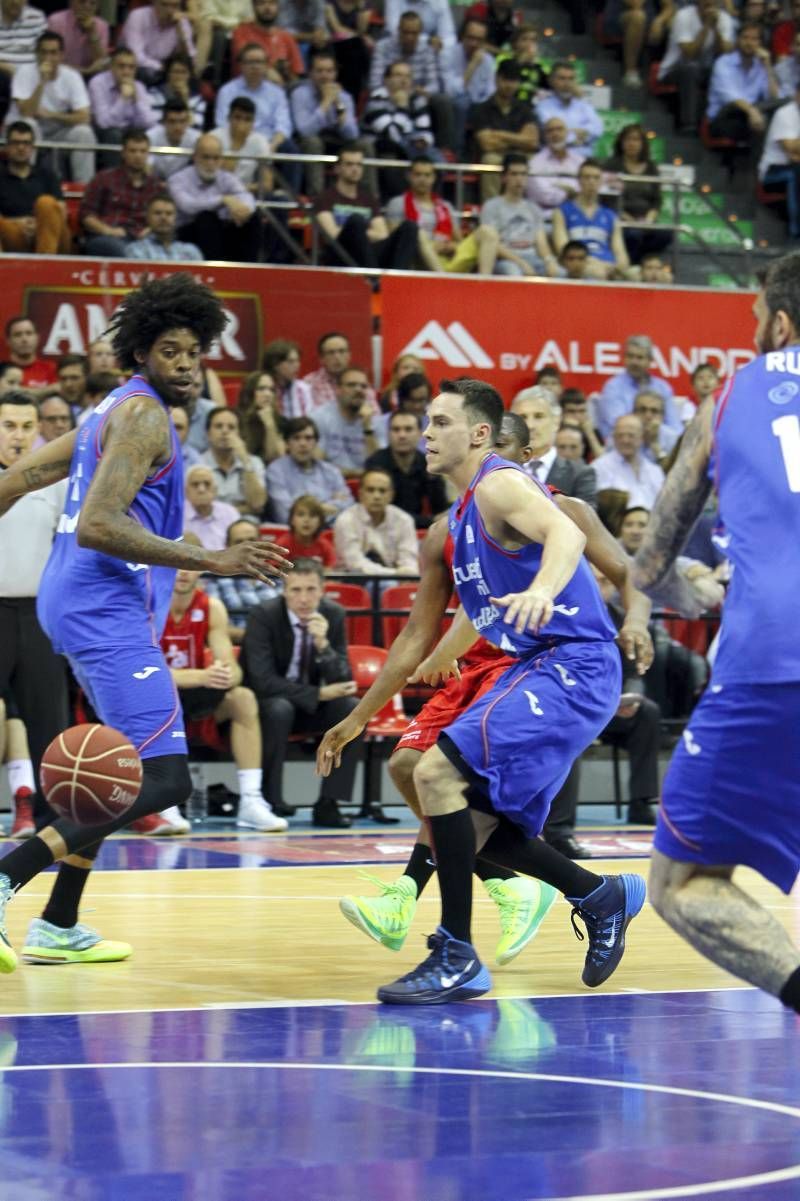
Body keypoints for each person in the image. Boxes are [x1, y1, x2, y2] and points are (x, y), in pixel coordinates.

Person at [319, 382, 646, 1003]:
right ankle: (600, 896)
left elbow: (568, 536)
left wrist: (545, 589)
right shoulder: (449, 526)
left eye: (440, 422)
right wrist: (357, 718)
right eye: (424, 423)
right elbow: (415, 638)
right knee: (464, 820)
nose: (426, 433)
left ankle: (456, 954)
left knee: (435, 775)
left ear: (478, 433)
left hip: (573, 663)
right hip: (536, 666)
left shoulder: (500, 482)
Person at [0, 273, 290, 971]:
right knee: (162, 781)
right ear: (140, 353)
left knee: (117, 769)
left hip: (78, 602)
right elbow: (99, 523)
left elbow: (19, 478)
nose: (186, 364)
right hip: (103, 609)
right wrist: (213, 557)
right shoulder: (143, 417)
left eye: (194, 351)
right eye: (170, 351)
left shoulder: (108, 411)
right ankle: (7, 877)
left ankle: (60, 922)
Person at [632, 251, 800, 1014]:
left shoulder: (730, 395)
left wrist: (690, 589)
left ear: (782, 323)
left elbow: (650, 561)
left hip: (774, 656)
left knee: (683, 882)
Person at [161, 547, 288, 832]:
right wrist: (200, 675)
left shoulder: (211, 606)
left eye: (189, 564)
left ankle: (251, 801)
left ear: (201, 569)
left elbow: (233, 668)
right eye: (176, 563)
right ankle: (163, 803)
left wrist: (226, 674)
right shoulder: (149, 602)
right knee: (159, 699)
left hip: (193, 693)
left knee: (243, 698)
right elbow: (145, 672)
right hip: (157, 692)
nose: (183, 572)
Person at [242, 557, 364, 828]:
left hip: (309, 708)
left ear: (322, 590)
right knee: (278, 708)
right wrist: (318, 694)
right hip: (267, 708)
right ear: (284, 591)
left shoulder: (333, 614)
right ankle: (270, 800)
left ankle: (329, 804)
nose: (304, 599)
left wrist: (323, 645)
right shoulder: (264, 615)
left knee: (351, 710)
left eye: (310, 590)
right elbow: (262, 681)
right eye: (295, 590)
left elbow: (343, 680)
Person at [0, 390, 69, 836]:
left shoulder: (55, 485)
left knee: (49, 724)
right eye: (9, 426)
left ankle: (51, 824)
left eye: (28, 426)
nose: (20, 436)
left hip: (40, 615)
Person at [385, 154, 499, 275]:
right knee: (417, 231)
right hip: (419, 260)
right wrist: (431, 247)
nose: (422, 179)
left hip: (448, 257)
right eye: (418, 175)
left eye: (427, 175)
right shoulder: (397, 203)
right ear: (409, 176)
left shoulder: (446, 206)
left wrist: (451, 247)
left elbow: (458, 240)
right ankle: (442, 279)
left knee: (487, 232)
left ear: (433, 178)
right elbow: (396, 241)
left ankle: (484, 282)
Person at [312, 143, 419, 271]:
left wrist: (362, 234)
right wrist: (360, 231)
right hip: (341, 256)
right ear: (337, 168)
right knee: (356, 221)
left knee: (410, 227)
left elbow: (382, 235)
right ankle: (372, 279)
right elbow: (332, 236)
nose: (355, 169)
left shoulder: (369, 199)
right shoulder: (325, 197)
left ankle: (397, 281)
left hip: (369, 253)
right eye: (349, 164)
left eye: (358, 165)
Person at [9, 29, 95, 184]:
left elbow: (84, 116)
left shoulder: (72, 76)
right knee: (30, 124)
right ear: (36, 54)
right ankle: (28, 183)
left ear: (62, 55)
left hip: (58, 131)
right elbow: (26, 112)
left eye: (53, 53)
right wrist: (42, 81)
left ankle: (83, 188)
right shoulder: (24, 72)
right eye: (43, 52)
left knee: (84, 132)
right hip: (26, 131)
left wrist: (52, 115)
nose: (48, 58)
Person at [168, 133, 260, 264]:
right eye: (206, 157)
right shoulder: (177, 179)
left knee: (251, 218)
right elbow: (188, 206)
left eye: (216, 158)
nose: (211, 163)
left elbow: (246, 196)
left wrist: (243, 209)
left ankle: (250, 270)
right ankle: (214, 269)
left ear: (221, 159)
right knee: (206, 217)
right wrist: (222, 200)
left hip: (222, 234)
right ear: (195, 157)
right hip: (189, 235)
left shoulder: (226, 178)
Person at [290, 48, 369, 195]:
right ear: (311, 73)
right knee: (313, 142)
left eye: (329, 71)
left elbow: (352, 135)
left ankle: (368, 197)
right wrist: (325, 103)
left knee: (364, 145)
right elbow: (305, 131)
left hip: (337, 141)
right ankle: (317, 197)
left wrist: (337, 103)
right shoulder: (300, 94)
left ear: (335, 74)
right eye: (319, 71)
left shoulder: (344, 96)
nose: (325, 76)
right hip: (309, 143)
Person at [79, 129, 166, 259]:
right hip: (107, 236)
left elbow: (165, 216)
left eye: (143, 151)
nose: (138, 156)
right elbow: (86, 215)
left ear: (148, 154)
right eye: (133, 151)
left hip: (143, 238)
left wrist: (150, 230)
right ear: (123, 153)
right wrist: (108, 231)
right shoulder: (103, 179)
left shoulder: (156, 186)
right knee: (125, 251)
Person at [656, 0, 735, 133]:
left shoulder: (724, 19)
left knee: (725, 72)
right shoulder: (683, 16)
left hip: (705, 69)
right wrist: (706, 26)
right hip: (674, 69)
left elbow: (725, 54)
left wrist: (715, 29)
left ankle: (716, 126)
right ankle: (689, 125)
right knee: (691, 68)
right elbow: (689, 54)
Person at [510, 386, 597, 505]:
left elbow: (585, 521)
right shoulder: (498, 470)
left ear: (556, 421)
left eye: (539, 416)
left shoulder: (580, 474)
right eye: (523, 417)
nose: (530, 425)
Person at [468, 58, 538, 201]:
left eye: (513, 81)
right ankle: (491, 207)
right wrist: (518, 140)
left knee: (535, 161)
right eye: (505, 80)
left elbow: (532, 142)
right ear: (496, 79)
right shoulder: (482, 109)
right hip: (497, 156)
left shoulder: (525, 109)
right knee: (490, 159)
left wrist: (500, 134)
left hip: (520, 155)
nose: (509, 85)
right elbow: (487, 144)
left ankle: (531, 206)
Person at [364, 409, 448, 528]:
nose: (402, 435)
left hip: (419, 532)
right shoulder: (375, 463)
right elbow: (382, 512)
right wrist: (430, 521)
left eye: (408, 429)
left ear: (420, 433)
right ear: (388, 433)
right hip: (382, 529)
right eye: (396, 430)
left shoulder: (428, 463)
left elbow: (440, 508)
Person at [480, 152, 559, 278]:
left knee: (560, 273)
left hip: (532, 257)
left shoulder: (534, 208)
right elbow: (493, 244)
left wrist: (549, 261)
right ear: (504, 178)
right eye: (514, 174)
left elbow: (541, 242)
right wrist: (520, 263)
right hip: (505, 259)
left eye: (523, 174)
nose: (519, 179)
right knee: (514, 272)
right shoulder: (492, 206)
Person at [604, 122, 672, 266]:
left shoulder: (651, 167)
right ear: (621, 142)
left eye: (636, 139)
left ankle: (644, 265)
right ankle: (631, 266)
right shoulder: (612, 165)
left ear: (643, 143)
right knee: (632, 234)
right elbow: (609, 200)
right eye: (628, 139)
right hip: (621, 218)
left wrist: (649, 218)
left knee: (665, 234)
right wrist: (629, 220)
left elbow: (656, 200)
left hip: (646, 219)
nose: (632, 143)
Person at [551, 158, 630, 281]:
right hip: (578, 264)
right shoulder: (562, 212)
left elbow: (621, 255)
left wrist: (614, 267)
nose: (591, 182)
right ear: (579, 180)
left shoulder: (610, 216)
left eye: (596, 177)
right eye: (587, 177)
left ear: (601, 181)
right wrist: (593, 264)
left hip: (608, 266)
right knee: (596, 273)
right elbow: (563, 250)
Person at [264, 415, 353, 524]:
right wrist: (326, 507)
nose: (303, 444)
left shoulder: (331, 471)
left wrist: (303, 510)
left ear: (316, 442)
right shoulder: (276, 471)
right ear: (287, 444)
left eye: (308, 438)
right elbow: (285, 515)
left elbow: (349, 507)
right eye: (296, 438)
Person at [0, 119, 70, 256]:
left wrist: (40, 224)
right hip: (14, 235)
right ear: (6, 147)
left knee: (46, 203)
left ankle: (45, 266)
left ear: (33, 147)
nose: (21, 148)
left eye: (26, 143)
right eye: (16, 143)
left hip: (50, 234)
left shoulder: (48, 175)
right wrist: (18, 223)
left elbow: (61, 211)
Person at [333, 468, 420, 575]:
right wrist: (393, 574)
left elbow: (409, 560)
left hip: (397, 579)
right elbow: (354, 563)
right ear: (360, 494)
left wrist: (406, 573)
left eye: (382, 491)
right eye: (370, 490)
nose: (377, 496)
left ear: (391, 495)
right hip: (353, 579)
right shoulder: (346, 520)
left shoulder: (404, 520)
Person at [595, 333, 682, 439]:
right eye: (630, 356)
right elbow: (621, 426)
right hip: (624, 444)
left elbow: (676, 427)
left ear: (650, 361)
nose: (634, 362)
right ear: (624, 358)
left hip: (658, 444)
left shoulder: (662, 388)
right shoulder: (613, 387)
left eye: (639, 358)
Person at [706, 21, 777, 144]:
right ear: (738, 40)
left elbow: (773, 98)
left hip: (751, 115)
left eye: (754, 39)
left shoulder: (760, 66)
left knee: (782, 107)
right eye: (745, 37)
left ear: (760, 43)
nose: (749, 43)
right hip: (723, 118)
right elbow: (730, 97)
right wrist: (752, 111)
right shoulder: (723, 63)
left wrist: (768, 66)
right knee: (761, 124)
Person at [439, 16, 495, 158]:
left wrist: (482, 105)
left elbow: (490, 92)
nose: (474, 44)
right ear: (462, 37)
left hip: (478, 107)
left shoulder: (488, 60)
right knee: (461, 103)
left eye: (479, 40)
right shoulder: (448, 54)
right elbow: (451, 92)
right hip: (452, 106)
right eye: (470, 38)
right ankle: (456, 153)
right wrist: (472, 66)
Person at [314, 365, 385, 473]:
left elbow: (378, 467)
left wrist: (367, 428)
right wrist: (355, 473)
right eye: (351, 385)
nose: (358, 389)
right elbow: (316, 464)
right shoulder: (319, 417)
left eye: (363, 386)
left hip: (368, 485)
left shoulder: (376, 421)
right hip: (330, 484)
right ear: (338, 390)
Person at [199, 406, 268, 517]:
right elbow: (200, 509)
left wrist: (245, 460)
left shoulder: (254, 462)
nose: (225, 431)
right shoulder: (197, 464)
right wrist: (245, 508)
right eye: (218, 426)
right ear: (208, 434)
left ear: (239, 434)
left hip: (246, 526)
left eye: (231, 427)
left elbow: (257, 504)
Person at [88, 46, 157, 152]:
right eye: (121, 66)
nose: (126, 72)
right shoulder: (97, 83)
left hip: (128, 131)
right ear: (111, 67)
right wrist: (123, 98)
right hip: (103, 133)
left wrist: (136, 100)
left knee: (146, 136)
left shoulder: (139, 86)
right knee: (114, 134)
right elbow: (103, 123)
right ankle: (113, 169)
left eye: (131, 67)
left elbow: (148, 122)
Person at [593, 414, 666, 509]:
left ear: (642, 438)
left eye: (631, 435)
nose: (625, 440)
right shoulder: (599, 467)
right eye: (620, 435)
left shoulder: (655, 470)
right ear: (613, 438)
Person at [119, 0, 196, 87]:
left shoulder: (181, 23)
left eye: (175, 6)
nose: (170, 11)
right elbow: (135, 56)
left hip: (163, 70)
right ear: (154, 3)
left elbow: (189, 60)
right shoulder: (138, 16)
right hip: (135, 67)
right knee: (149, 74)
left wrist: (181, 35)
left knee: (188, 78)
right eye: (164, 5)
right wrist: (162, 68)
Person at [302, 330, 379, 413]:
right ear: (321, 358)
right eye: (331, 353)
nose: (337, 357)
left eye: (342, 351)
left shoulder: (361, 381)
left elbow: (376, 415)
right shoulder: (309, 383)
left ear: (349, 355)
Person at [535, 59, 603, 153]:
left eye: (571, 79)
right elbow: (554, 135)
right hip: (554, 161)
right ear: (551, 81)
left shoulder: (584, 105)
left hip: (584, 161)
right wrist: (579, 135)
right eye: (562, 78)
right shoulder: (542, 107)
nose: (567, 84)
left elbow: (597, 130)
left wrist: (567, 134)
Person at [230, 0, 304, 83]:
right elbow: (248, 62)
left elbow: (297, 75)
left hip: (282, 89)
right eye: (261, 3)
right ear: (253, 7)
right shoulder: (241, 32)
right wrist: (269, 70)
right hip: (246, 87)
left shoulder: (286, 37)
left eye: (272, 3)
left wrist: (287, 73)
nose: (267, 8)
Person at [527, 116, 583, 216]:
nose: (555, 134)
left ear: (567, 133)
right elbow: (544, 195)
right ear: (545, 136)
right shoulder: (535, 163)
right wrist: (571, 193)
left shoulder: (579, 161)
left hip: (578, 215)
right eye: (550, 131)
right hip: (546, 217)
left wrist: (567, 191)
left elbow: (587, 188)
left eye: (559, 129)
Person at [125, 193, 204, 262]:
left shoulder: (191, 251)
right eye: (157, 213)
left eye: (169, 213)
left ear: (176, 218)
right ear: (147, 217)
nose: (163, 218)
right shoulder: (135, 250)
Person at [184, 462, 242, 549]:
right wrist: (181, 542)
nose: (201, 489)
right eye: (195, 484)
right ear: (186, 491)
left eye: (207, 484)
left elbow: (241, 543)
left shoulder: (230, 512)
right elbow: (167, 544)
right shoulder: (175, 514)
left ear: (215, 490)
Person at [47, 0, 109, 80]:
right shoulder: (56, 22)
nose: (87, 6)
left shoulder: (102, 26)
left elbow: (103, 64)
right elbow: (52, 62)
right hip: (59, 77)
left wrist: (91, 32)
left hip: (90, 81)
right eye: (82, 2)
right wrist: (85, 71)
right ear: (71, 2)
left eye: (93, 3)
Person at [274, 494, 337, 567]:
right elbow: (274, 573)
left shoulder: (325, 546)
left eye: (312, 515)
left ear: (320, 521)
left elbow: (331, 572)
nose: (306, 520)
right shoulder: (282, 546)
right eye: (301, 515)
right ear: (292, 520)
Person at [148, 97, 200, 181]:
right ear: (163, 122)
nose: (178, 127)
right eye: (172, 121)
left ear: (188, 122)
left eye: (182, 121)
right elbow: (146, 169)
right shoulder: (150, 137)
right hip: (154, 183)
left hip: (183, 184)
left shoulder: (196, 139)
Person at [4, 316, 56, 388]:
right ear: (8, 341)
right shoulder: (2, 371)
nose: (24, 339)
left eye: (29, 333)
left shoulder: (51, 369)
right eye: (18, 335)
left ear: (37, 338)